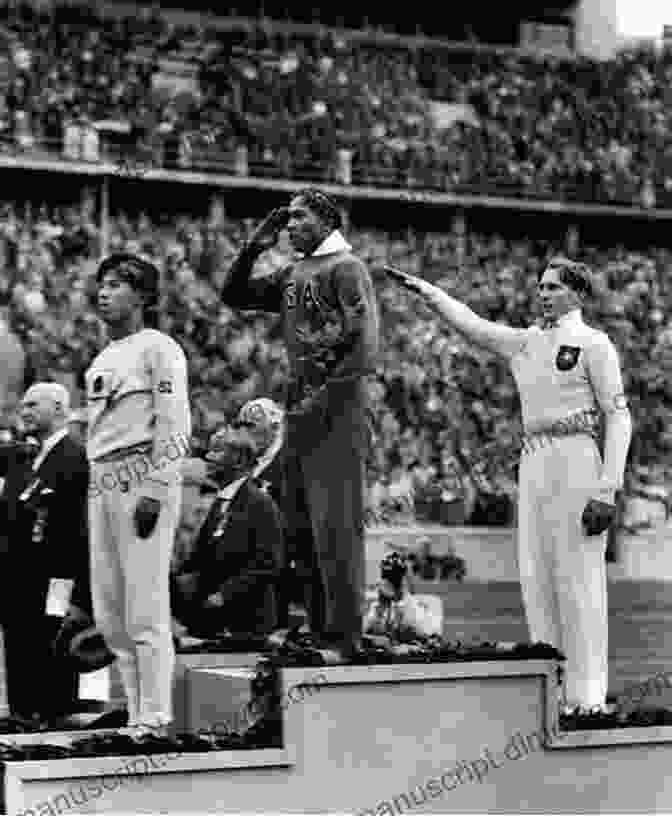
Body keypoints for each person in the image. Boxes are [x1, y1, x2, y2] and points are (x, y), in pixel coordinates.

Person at [385, 257, 632, 713]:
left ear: (577, 294)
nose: (543, 294)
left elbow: (618, 416)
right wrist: (429, 292)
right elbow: (471, 324)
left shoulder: (595, 345)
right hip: (533, 460)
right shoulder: (524, 343)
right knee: (537, 577)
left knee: (579, 578)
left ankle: (588, 696)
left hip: (578, 456)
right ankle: (550, 688)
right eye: (540, 286)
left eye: (554, 287)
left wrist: (606, 488)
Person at [221, 189, 380, 660]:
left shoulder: (346, 269)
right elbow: (235, 295)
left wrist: (319, 402)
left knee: (336, 526)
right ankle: (317, 627)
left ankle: (344, 638)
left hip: (337, 410)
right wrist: (255, 245)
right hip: (300, 411)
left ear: (327, 222)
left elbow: (365, 347)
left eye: (299, 217)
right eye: (287, 219)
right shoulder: (295, 272)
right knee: (300, 526)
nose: (290, 225)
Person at [85, 252, 191, 736]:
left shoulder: (159, 348)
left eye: (118, 284)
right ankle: (133, 714)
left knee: (145, 604)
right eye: (102, 284)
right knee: (111, 611)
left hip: (139, 472)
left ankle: (156, 716)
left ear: (144, 297)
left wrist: (159, 483)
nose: (104, 292)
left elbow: (175, 420)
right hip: (101, 477)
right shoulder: (103, 356)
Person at [0, 382, 89, 726]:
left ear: (59, 409)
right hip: (16, 575)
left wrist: (74, 589)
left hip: (57, 576)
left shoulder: (74, 456)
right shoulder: (23, 458)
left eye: (34, 404)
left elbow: (77, 529)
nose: (25, 411)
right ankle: (23, 717)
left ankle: (54, 717)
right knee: (19, 645)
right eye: (23, 405)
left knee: (52, 641)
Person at [171, 398, 285, 639]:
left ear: (239, 460)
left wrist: (225, 594)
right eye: (209, 450)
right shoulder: (221, 502)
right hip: (213, 622)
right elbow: (199, 561)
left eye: (217, 451)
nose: (209, 458)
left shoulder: (259, 503)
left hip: (247, 625)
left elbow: (268, 563)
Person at [363, 552, 442, 643]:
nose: (388, 583)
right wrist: (379, 612)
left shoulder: (413, 606)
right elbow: (364, 629)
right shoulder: (378, 604)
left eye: (395, 578)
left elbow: (429, 635)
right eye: (386, 577)